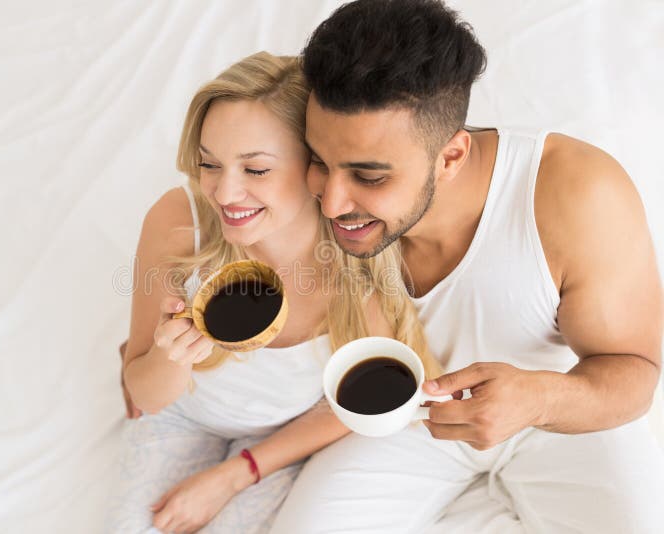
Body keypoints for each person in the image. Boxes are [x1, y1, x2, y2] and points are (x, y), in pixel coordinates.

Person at [270, 1, 664, 533]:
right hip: (413, 419)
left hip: (559, 409)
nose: (332, 201)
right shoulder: (305, 180)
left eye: (370, 177)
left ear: (451, 157)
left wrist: (541, 398)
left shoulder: (578, 193)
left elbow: (635, 371)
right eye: (319, 160)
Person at [105, 51, 442, 533]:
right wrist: (169, 356)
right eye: (209, 164)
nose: (223, 194)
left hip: (284, 440)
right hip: (185, 418)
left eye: (255, 170)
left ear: (316, 168)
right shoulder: (181, 224)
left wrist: (234, 475)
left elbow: (349, 408)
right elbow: (147, 394)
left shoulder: (357, 256)